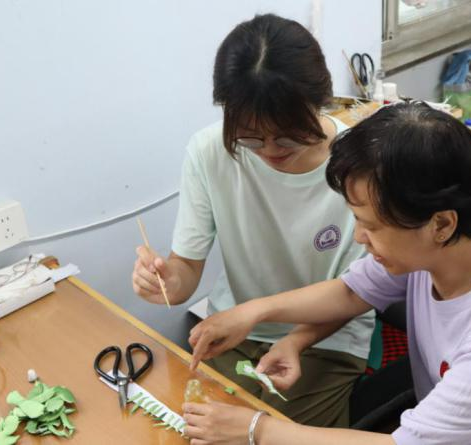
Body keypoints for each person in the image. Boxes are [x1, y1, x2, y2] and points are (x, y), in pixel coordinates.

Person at [183, 102, 471, 444]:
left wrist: (256, 430)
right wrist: (255, 314)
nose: (359, 238)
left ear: (441, 225)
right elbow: (352, 292)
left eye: (370, 226)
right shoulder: (465, 236)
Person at [131, 14, 375, 427]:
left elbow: (360, 291)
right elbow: (186, 270)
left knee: (270, 434)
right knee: (187, 426)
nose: (269, 150)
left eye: (288, 135)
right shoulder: (209, 152)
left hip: (326, 337)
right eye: (250, 136)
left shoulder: (360, 164)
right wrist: (167, 281)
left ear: (318, 101)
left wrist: (286, 332)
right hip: (232, 330)